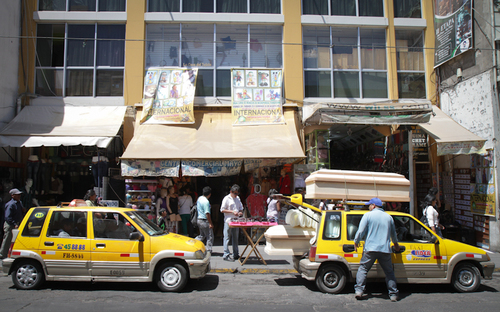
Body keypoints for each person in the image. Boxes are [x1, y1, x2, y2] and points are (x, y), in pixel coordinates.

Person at [354, 197, 400, 302]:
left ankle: (359, 291)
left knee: (363, 269)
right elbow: (393, 234)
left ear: (373, 206)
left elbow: (361, 231)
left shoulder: (367, 215)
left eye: (369, 205)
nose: (369, 207)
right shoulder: (389, 217)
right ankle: (393, 294)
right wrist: (396, 245)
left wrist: (356, 242)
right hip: (385, 249)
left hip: (370, 249)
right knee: (389, 272)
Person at [220, 184, 244, 261]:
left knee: (235, 238)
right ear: (231, 192)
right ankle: (226, 254)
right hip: (228, 221)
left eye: (237, 193)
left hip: (236, 221)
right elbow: (222, 209)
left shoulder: (238, 198)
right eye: (235, 193)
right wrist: (232, 211)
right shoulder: (226, 199)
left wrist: (240, 212)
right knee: (227, 237)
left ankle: (235, 253)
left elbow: (241, 208)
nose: (236, 195)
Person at [0, 189, 25, 259]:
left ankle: (10, 253)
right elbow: (7, 217)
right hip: (10, 225)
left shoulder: (19, 203)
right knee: (7, 239)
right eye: (17, 195)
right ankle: (2, 254)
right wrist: (14, 224)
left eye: (19, 194)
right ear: (12, 195)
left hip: (17, 224)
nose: (19, 196)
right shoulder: (10, 204)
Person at [195, 186, 214, 253]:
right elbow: (207, 213)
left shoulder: (199, 198)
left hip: (199, 219)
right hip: (204, 220)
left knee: (202, 235)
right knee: (210, 236)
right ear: (209, 194)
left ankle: (194, 243)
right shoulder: (206, 202)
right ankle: (208, 250)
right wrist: (210, 223)